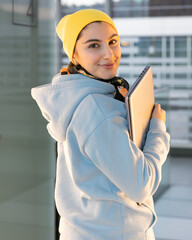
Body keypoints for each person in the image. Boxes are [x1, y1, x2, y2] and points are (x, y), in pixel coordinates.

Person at [31, 9, 170, 240]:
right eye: (93, 45)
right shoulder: (97, 110)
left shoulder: (75, 98)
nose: (109, 54)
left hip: (84, 229)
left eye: (113, 42)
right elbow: (141, 185)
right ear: (74, 55)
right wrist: (157, 130)